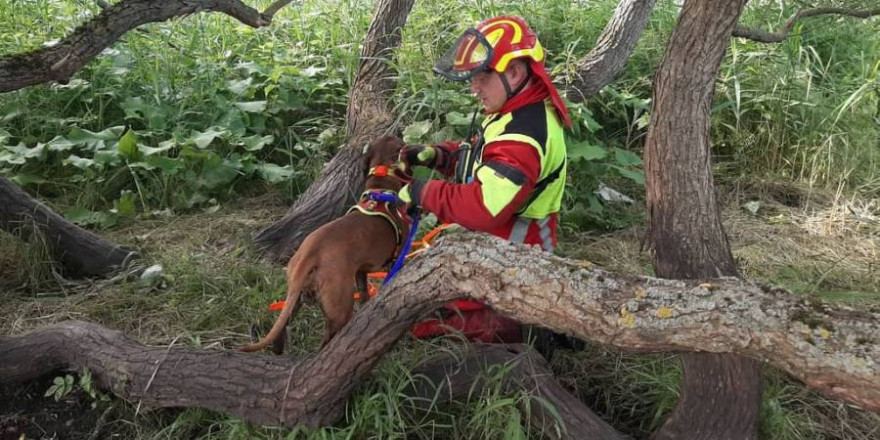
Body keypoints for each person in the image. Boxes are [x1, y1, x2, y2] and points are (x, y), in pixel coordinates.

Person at [397, 15, 571, 344]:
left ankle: (535, 328)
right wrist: (441, 156)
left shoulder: (523, 134)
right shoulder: (514, 110)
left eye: (482, 77)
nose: (473, 87)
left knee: (420, 321)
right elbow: (485, 159)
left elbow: (483, 207)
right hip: (497, 242)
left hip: (517, 254)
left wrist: (423, 191)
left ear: (515, 72)